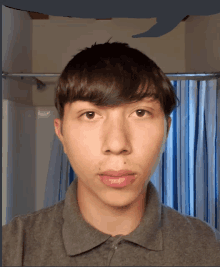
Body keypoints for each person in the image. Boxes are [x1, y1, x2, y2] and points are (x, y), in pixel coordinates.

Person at [2, 39, 220, 266]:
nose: (117, 145)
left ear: (166, 131)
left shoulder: (209, 248)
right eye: (90, 115)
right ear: (61, 134)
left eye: (140, 113)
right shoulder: (13, 247)